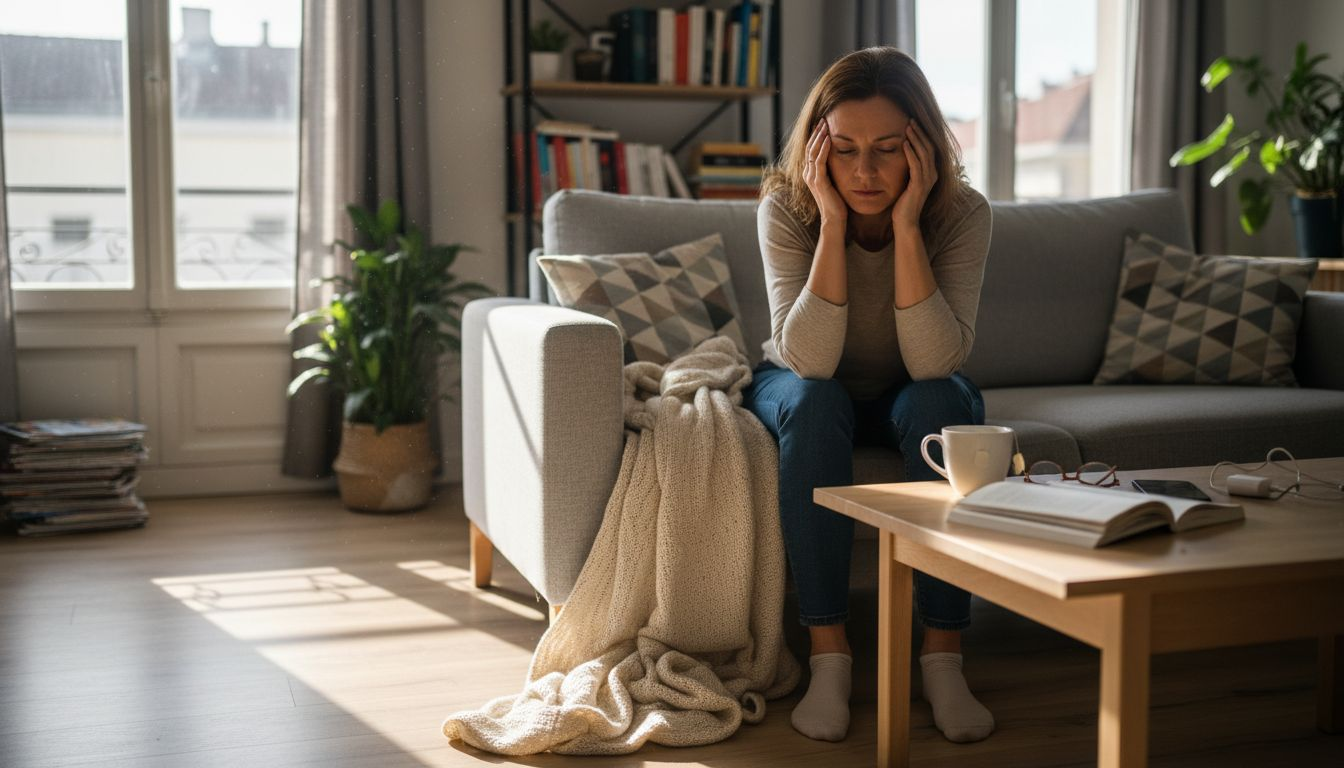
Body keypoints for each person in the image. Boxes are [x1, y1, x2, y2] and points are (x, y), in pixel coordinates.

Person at [745, 47, 994, 744]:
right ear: (817, 148)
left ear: (923, 148)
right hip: (798, 381)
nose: (864, 172)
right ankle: (830, 656)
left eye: (888, 150)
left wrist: (910, 227)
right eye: (845, 150)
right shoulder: (785, 209)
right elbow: (812, 362)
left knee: (942, 404)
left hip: (908, 388)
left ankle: (943, 658)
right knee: (818, 403)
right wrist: (830, 223)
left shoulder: (962, 214)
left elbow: (934, 360)